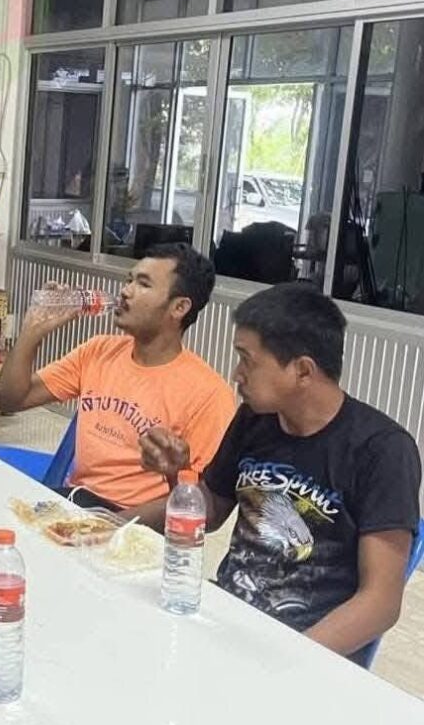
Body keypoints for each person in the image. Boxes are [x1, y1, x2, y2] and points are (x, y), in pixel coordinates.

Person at [131, 283, 421, 666]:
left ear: (302, 371)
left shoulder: (382, 450)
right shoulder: (256, 419)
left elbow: (380, 602)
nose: (237, 374)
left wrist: (284, 662)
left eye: (247, 360)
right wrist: (170, 481)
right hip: (224, 621)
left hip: (301, 652)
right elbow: (211, 510)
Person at [0, 243, 235, 509]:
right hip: (77, 503)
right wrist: (32, 331)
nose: (125, 291)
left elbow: (199, 503)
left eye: (143, 284)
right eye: (129, 280)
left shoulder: (209, 394)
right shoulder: (98, 351)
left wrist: (111, 524)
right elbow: (11, 400)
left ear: (179, 307)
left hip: (137, 520)